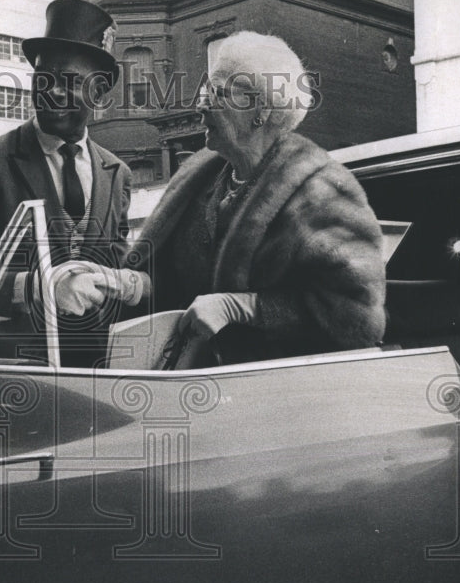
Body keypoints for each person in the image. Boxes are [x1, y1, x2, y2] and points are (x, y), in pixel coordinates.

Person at [117, 31, 386, 364]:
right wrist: (126, 284)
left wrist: (244, 308)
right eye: (205, 89)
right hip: (198, 385)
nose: (200, 105)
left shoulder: (322, 194)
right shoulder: (200, 181)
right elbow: (171, 282)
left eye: (216, 92)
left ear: (260, 110)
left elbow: (355, 317)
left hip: (280, 393)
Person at [0, 0, 140, 366]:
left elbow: (115, 264)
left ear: (100, 93)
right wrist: (42, 289)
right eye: (44, 79)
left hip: (95, 373)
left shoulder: (117, 173)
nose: (54, 91)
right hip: (9, 374)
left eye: (71, 81)